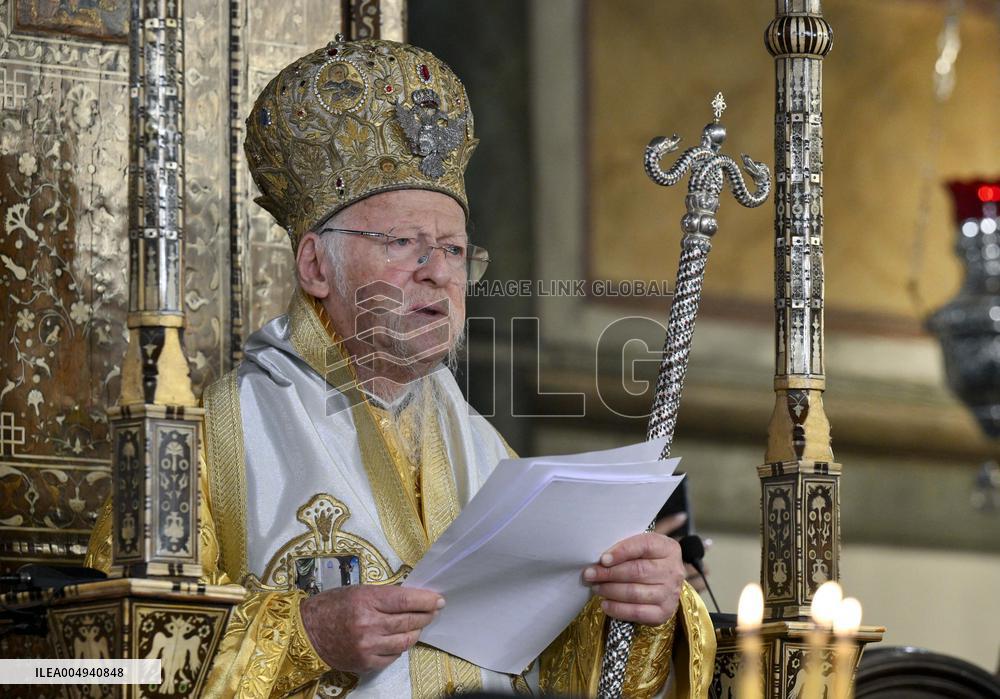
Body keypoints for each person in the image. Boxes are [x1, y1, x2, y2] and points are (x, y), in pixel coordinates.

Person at [86, 37, 715, 698]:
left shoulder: (487, 454)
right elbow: (106, 667)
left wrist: (640, 610)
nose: (438, 271)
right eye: (401, 243)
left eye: (453, 249)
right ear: (314, 266)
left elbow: (565, 674)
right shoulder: (205, 440)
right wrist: (303, 637)